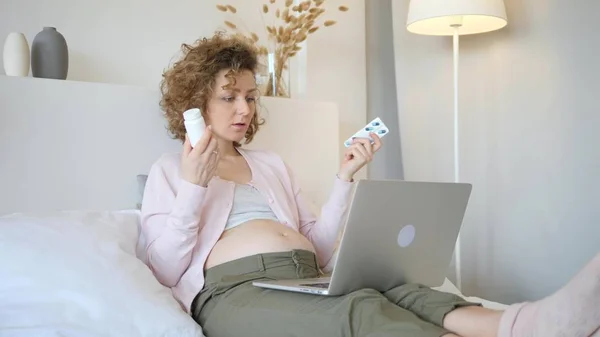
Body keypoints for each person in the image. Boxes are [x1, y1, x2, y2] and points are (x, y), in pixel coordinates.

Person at [141, 32, 600, 337]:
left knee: (396, 289)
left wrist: (344, 177)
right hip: (235, 293)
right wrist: (193, 188)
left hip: (305, 277)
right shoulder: (170, 170)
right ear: (194, 103)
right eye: (228, 97)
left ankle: (530, 325)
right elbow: (162, 270)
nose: (244, 109)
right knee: (359, 308)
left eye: (249, 96)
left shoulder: (271, 164)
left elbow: (319, 250)